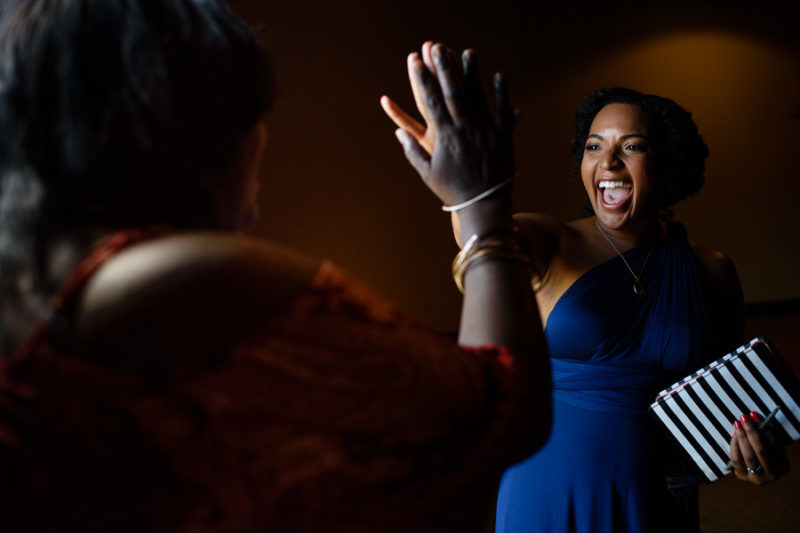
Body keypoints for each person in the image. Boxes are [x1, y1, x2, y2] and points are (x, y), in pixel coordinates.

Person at [0, 3, 551, 531]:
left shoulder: (29, 283)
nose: (256, 196)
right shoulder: (186, 283)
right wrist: (482, 204)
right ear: (200, 133)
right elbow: (501, 410)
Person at [382, 42, 790, 532]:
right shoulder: (548, 242)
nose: (610, 163)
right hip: (548, 486)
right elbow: (483, 235)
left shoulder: (712, 270)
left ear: (667, 164)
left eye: (631, 146)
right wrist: (469, 187)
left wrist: (751, 455)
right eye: (595, 146)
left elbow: (726, 406)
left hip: (656, 498)